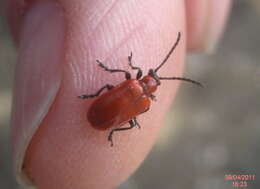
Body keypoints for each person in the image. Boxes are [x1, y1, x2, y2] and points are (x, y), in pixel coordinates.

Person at [6, 0, 232, 188]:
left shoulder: (133, 83)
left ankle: (98, 109)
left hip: (98, 113)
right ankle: (110, 129)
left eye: (152, 76)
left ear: (147, 77)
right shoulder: (145, 103)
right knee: (132, 123)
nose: (152, 76)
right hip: (102, 119)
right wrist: (112, 129)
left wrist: (108, 74)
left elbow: (115, 83)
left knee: (115, 85)